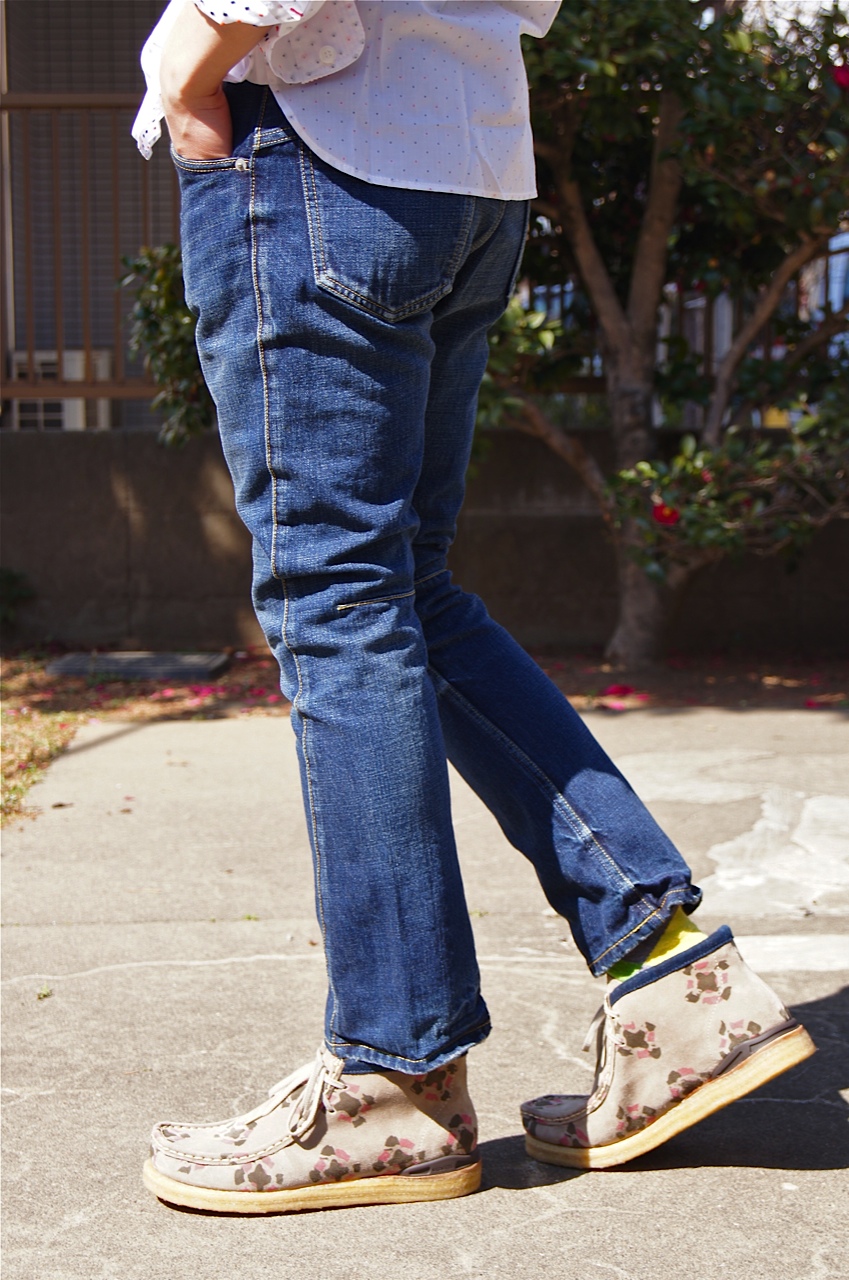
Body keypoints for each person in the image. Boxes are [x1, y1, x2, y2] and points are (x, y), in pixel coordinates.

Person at [134, 0, 814, 1215]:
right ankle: (668, 975)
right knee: (406, 592)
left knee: (337, 595)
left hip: (320, 141)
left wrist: (200, 54)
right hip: (465, 152)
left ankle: (395, 1078)